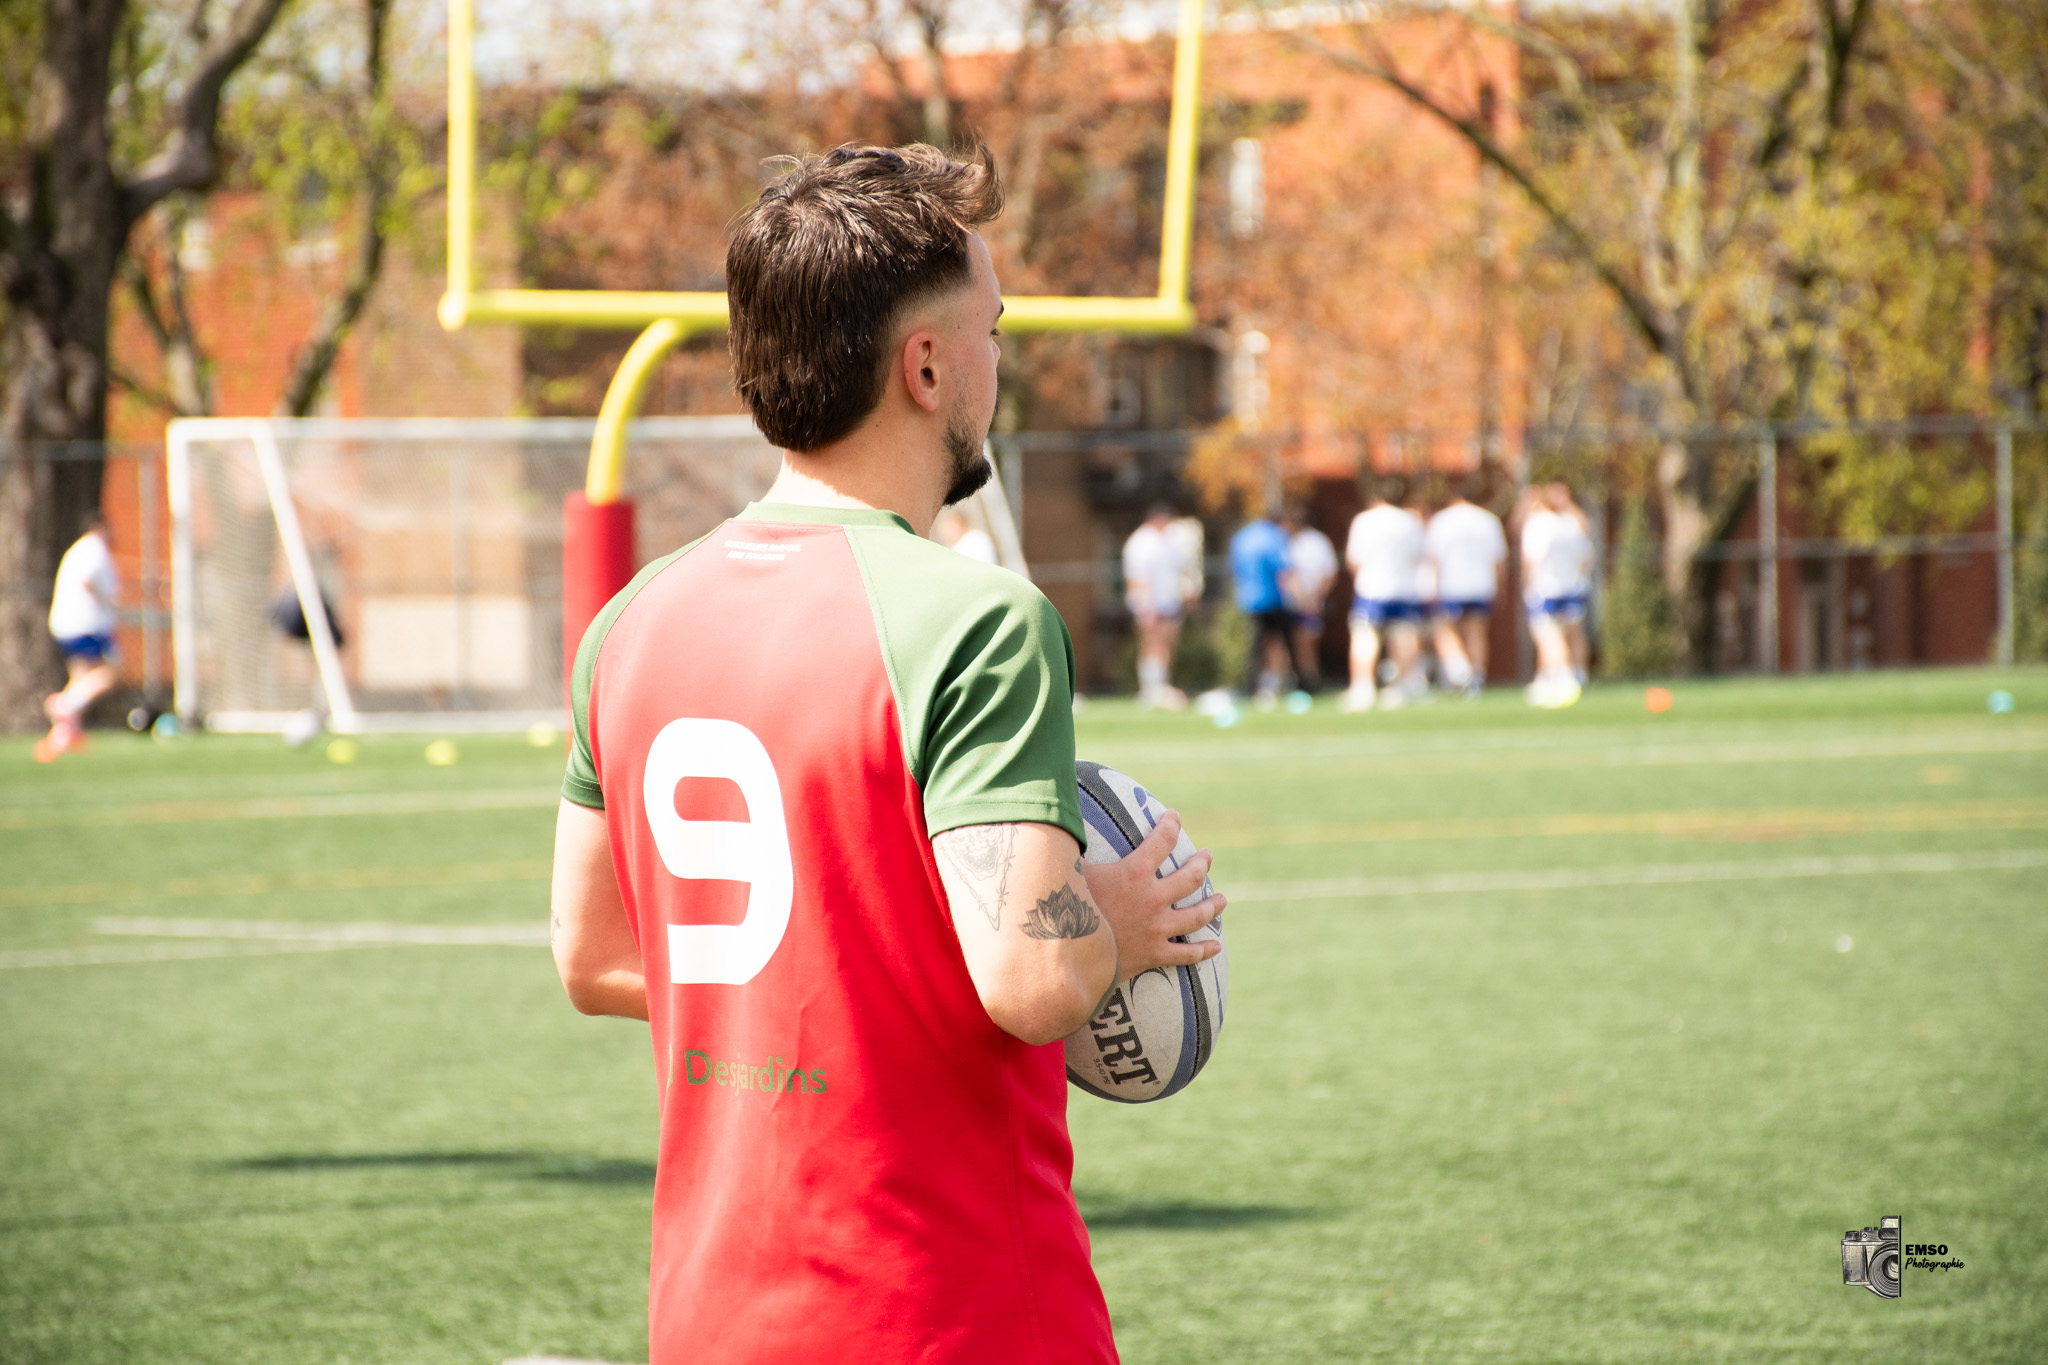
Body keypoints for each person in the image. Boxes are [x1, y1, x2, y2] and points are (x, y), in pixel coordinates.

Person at [547, 143, 1223, 1365]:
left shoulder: (630, 619)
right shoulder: (977, 620)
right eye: (993, 330)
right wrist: (1116, 924)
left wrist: (853, 981)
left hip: (711, 1313)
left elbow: (591, 957)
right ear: (924, 366)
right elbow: (1028, 980)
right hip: (942, 1309)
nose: (997, 363)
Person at [37, 512, 121, 762]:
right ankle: (66, 704)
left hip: (66, 623)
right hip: (85, 623)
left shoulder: (78, 550)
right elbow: (87, 580)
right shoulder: (93, 548)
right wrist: (105, 603)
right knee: (110, 674)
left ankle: (63, 736)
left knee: (81, 677)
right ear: (100, 528)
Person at [1342, 476, 1427, 711]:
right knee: (1404, 639)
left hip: (1371, 588)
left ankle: (1363, 687)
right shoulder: (1410, 522)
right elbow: (1418, 556)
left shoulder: (1364, 521)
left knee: (1365, 638)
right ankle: (1398, 688)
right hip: (1403, 588)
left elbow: (1354, 559)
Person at [1425, 477, 1507, 698]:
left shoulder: (1442, 521)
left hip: (1452, 585)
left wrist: (1432, 586)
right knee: (1477, 632)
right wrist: (1500, 587)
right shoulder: (1489, 521)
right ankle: (1476, 678)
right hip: (1482, 584)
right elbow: (1499, 561)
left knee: (1444, 630)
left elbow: (1434, 559)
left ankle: (1460, 670)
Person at [1519, 481, 1595, 708]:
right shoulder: (1570, 524)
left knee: (1549, 636)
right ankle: (1562, 677)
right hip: (1572, 587)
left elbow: (1532, 559)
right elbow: (1586, 558)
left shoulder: (1538, 524)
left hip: (1546, 589)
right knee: (1572, 635)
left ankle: (1563, 677)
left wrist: (1527, 584)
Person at [1123, 503, 1193, 709]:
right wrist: (1145, 604)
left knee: (1166, 645)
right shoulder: (1141, 541)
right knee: (1151, 645)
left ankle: (1160, 685)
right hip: (1150, 602)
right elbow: (1137, 576)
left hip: (1168, 601)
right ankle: (1150, 688)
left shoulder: (1171, 541)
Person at [1229, 509, 1295, 706]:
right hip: (1273, 599)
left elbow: (1234, 568)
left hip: (1248, 599)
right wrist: (1297, 596)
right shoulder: (1274, 537)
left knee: (1255, 646)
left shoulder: (1241, 537)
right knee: (1277, 643)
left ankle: (1252, 686)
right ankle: (1273, 685)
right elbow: (1283, 570)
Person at [1280, 504, 1336, 692]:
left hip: (1309, 603)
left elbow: (1328, 573)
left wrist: (1316, 597)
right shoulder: (1282, 541)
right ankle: (1288, 682)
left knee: (1307, 644)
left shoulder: (1316, 542)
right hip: (1285, 604)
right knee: (1284, 646)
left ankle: (1310, 682)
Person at [933, 505, 999, 564]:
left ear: (958, 522)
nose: (944, 533)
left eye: (948, 526)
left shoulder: (976, 539)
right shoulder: (955, 548)